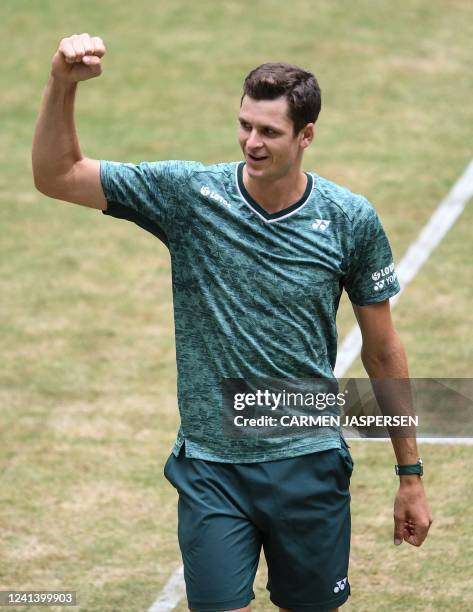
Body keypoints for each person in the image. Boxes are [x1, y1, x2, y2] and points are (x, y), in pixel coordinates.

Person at [32, 33, 433, 612]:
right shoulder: (190, 195)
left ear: (306, 135)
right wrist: (61, 85)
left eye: (269, 131)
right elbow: (58, 174)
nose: (252, 142)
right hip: (211, 470)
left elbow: (383, 353)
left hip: (307, 462)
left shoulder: (350, 220)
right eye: (245, 125)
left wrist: (410, 474)